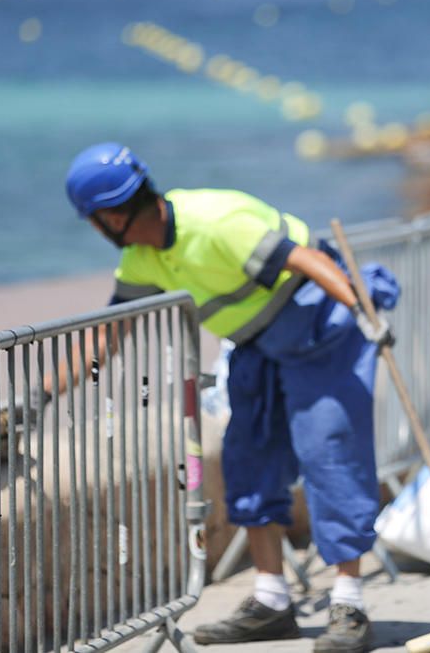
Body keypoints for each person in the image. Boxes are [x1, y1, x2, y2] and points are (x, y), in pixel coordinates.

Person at [65, 143, 399, 653]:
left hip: (318, 323)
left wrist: (361, 310)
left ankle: (349, 603)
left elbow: (307, 260)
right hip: (256, 344)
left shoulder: (214, 220)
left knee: (330, 451)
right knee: (248, 458)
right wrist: (39, 395)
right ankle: (270, 602)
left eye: (92, 221)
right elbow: (106, 338)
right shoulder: (141, 258)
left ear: (109, 216)